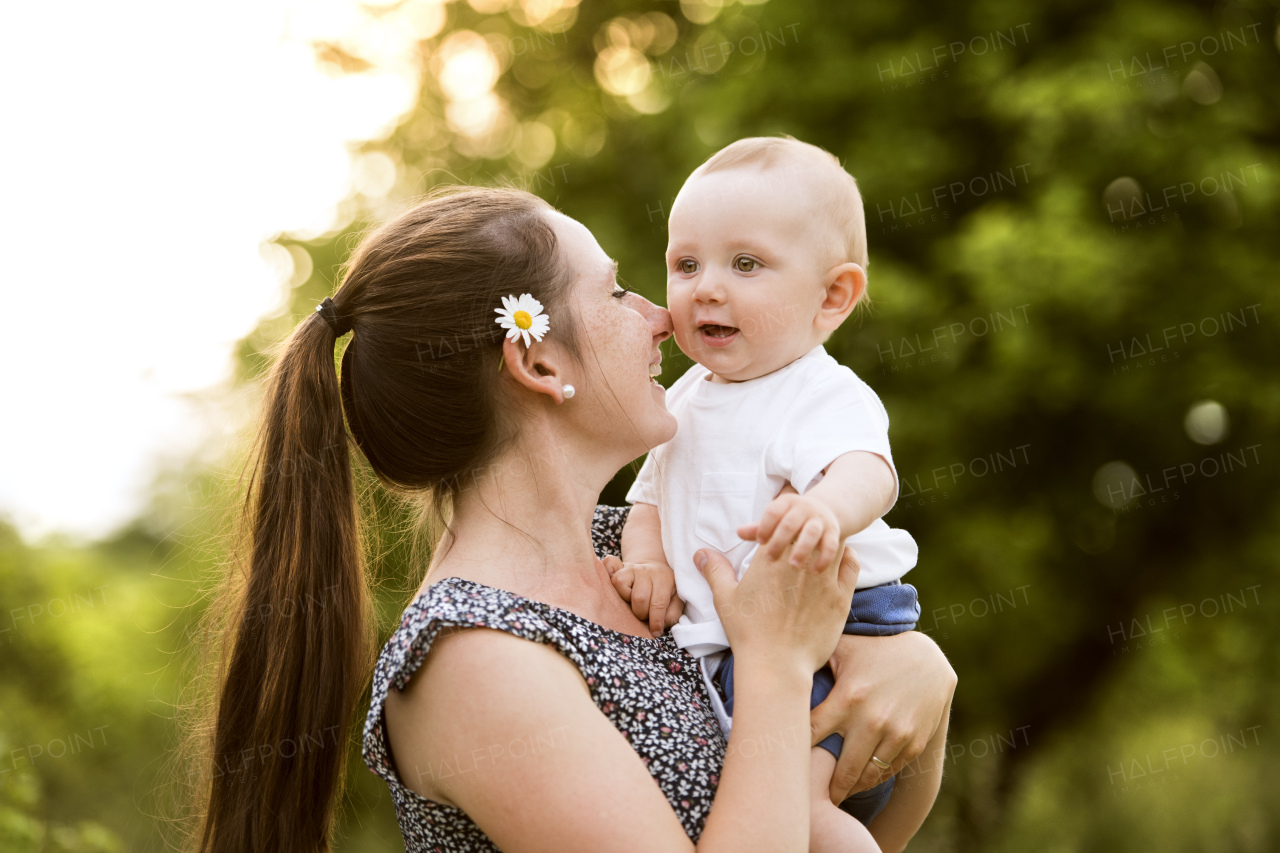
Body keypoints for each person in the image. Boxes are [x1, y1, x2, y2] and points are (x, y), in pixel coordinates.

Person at [190, 187, 956, 853]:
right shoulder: (478, 657)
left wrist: (917, 674)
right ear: (540, 364)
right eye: (618, 293)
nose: (663, 316)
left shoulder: (639, 555)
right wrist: (780, 666)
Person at [611, 136, 944, 853]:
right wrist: (647, 561)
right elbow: (649, 499)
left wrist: (824, 509)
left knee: (807, 813)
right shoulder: (684, 399)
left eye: (747, 264)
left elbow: (870, 472)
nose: (706, 287)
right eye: (686, 263)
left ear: (832, 296)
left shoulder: (818, 391)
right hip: (738, 645)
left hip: (837, 627)